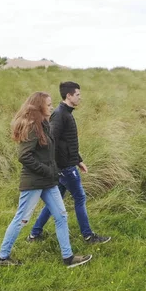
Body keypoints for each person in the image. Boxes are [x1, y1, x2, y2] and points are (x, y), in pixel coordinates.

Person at [0, 91, 92, 268]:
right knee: (21, 219)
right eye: (48, 104)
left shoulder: (44, 125)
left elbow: (50, 152)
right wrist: (47, 170)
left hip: (48, 181)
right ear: (39, 106)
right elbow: (24, 156)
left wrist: (66, 165)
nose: (51, 107)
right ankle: (2, 257)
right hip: (34, 182)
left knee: (61, 216)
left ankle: (68, 257)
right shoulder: (32, 127)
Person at [28, 81, 111, 244]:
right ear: (69, 95)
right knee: (80, 198)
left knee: (54, 201)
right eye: (78, 95)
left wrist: (78, 160)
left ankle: (34, 234)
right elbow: (52, 141)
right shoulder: (60, 114)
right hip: (65, 168)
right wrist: (59, 167)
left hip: (66, 165)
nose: (80, 98)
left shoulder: (66, 113)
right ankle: (88, 236)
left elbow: (67, 143)